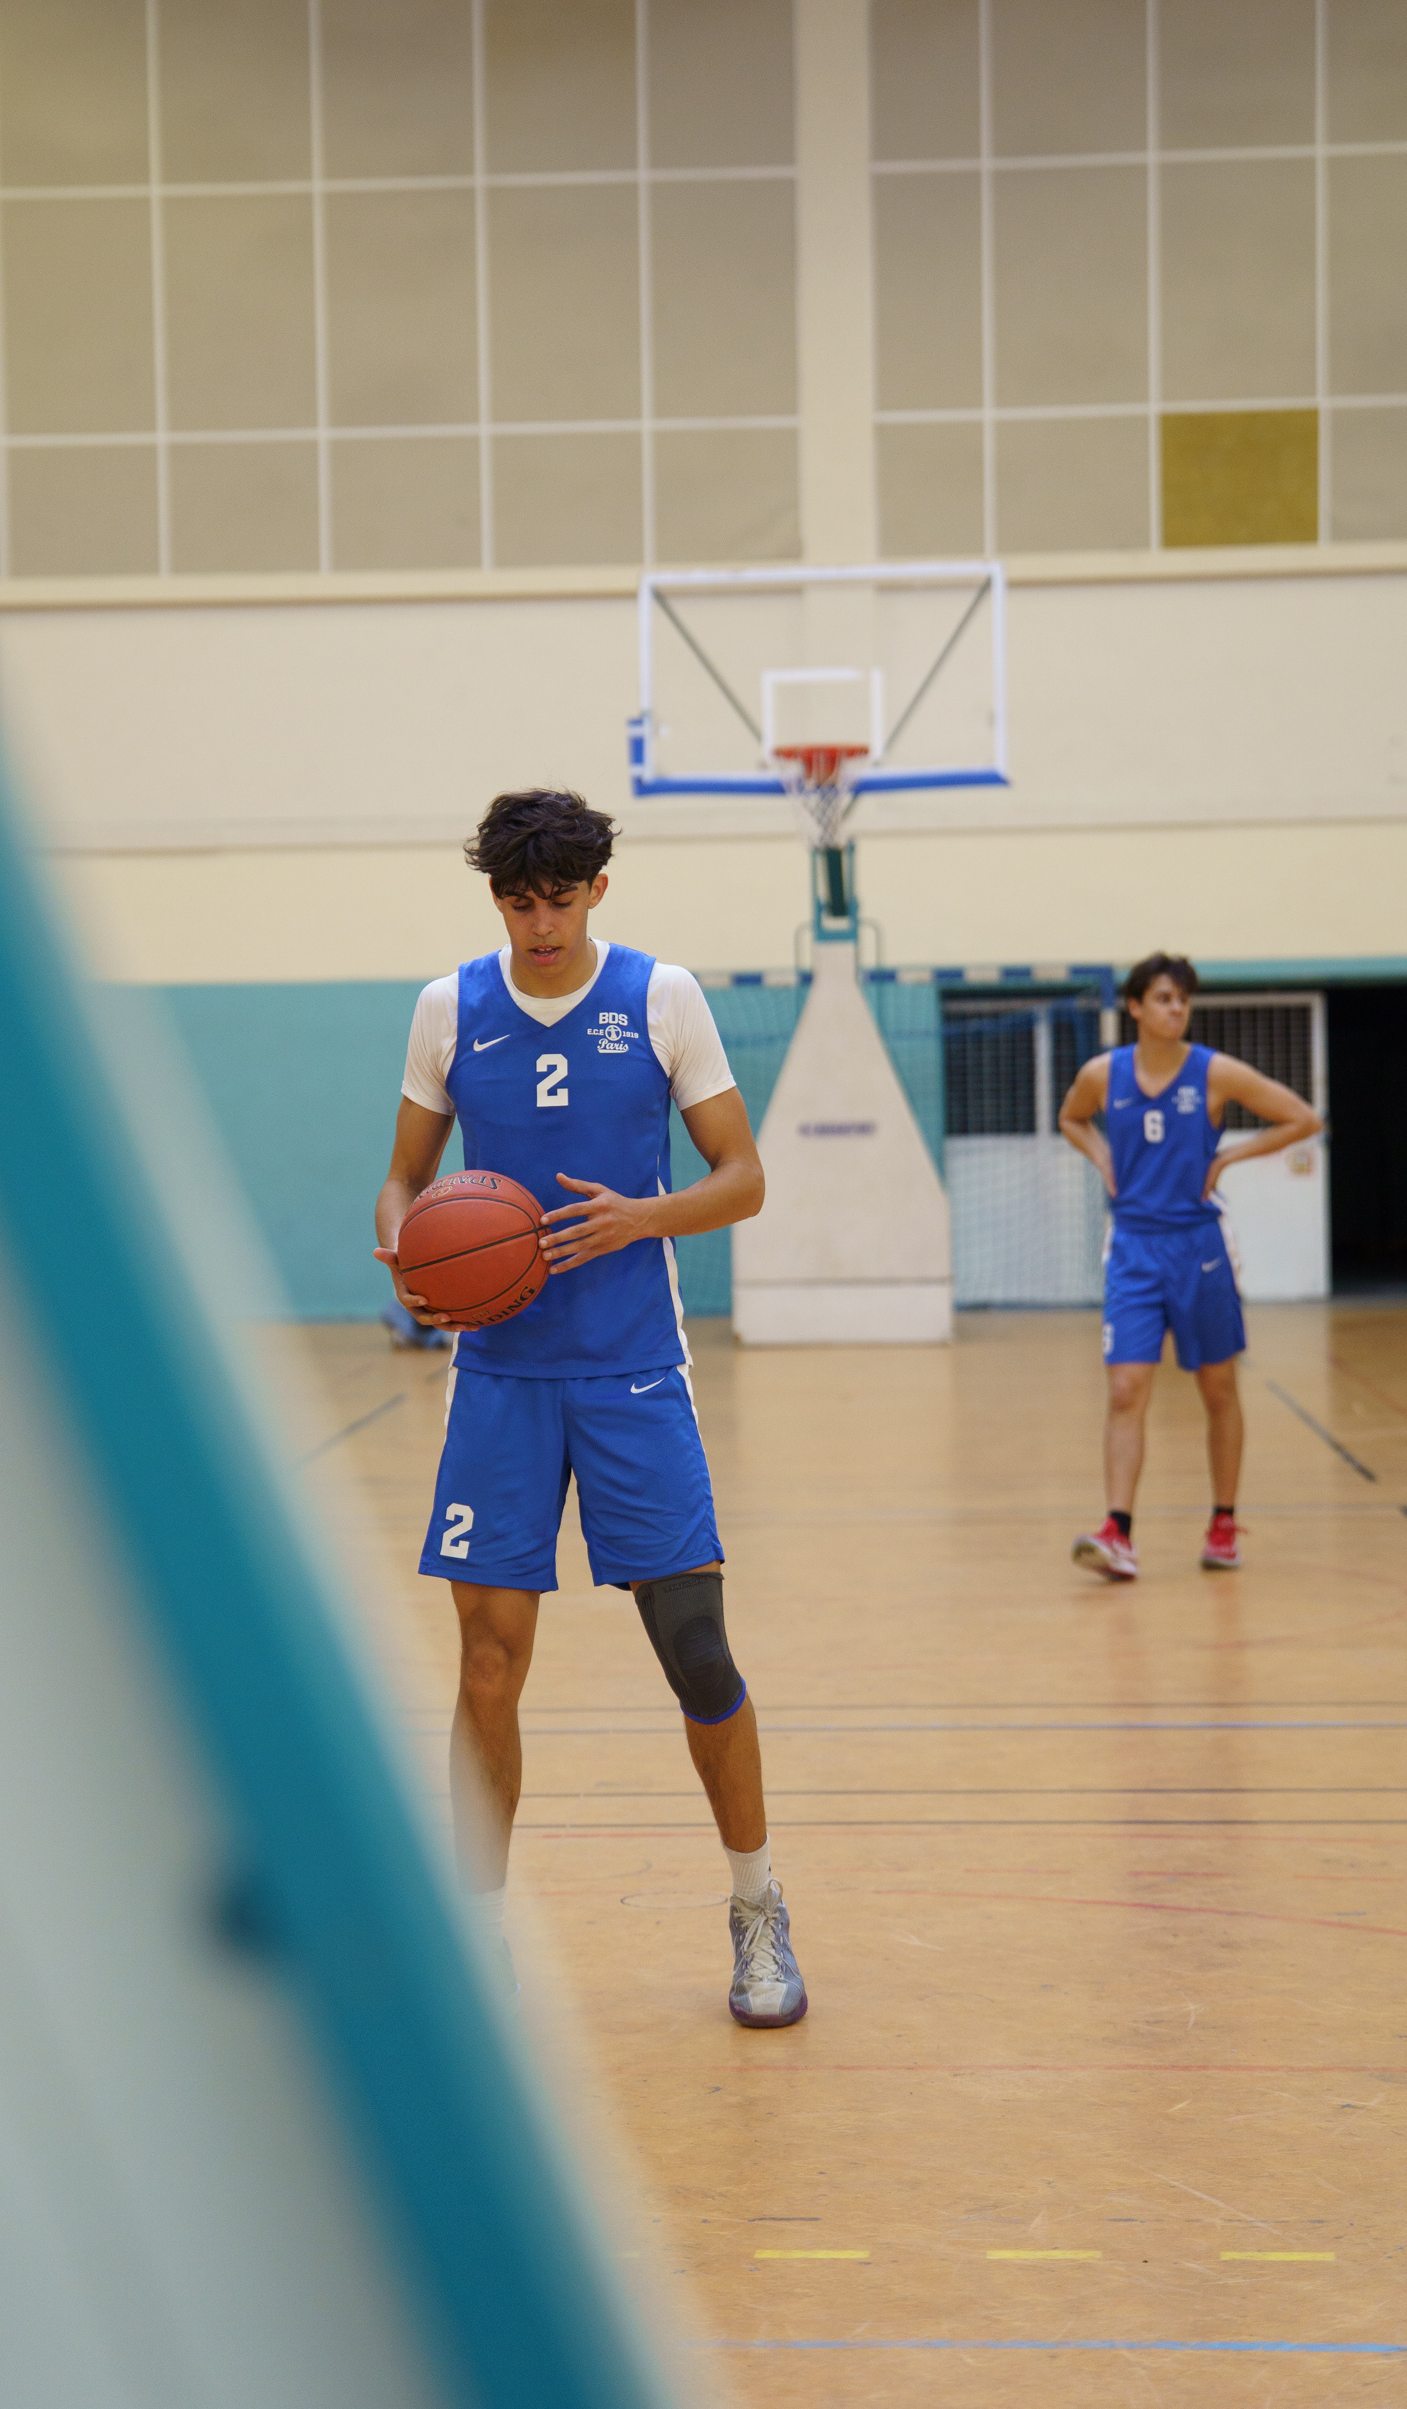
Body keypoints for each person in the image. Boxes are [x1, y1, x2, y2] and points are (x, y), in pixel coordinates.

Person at [373, 789, 806, 2027]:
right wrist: (407, 1258)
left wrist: (641, 1217)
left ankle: (757, 1907)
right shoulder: (449, 1007)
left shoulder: (663, 997)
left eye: (560, 899)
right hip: (499, 1380)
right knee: (487, 1666)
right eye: (519, 902)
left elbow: (743, 1177)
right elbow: (403, 1183)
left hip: (632, 1375)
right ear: (496, 899)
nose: (541, 923)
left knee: (698, 1651)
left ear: (597, 890)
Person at [1059, 952, 1321, 1581]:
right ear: (1135, 1007)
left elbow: (1303, 1117)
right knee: (1126, 1389)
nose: (1176, 1008)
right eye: (1164, 998)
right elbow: (1070, 1117)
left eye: (1183, 999)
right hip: (1133, 1248)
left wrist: (1229, 1158)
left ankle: (1223, 1524)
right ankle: (1118, 1533)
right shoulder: (1103, 1074)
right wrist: (1101, 1157)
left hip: (1198, 1248)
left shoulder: (1213, 1072)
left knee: (1217, 1388)